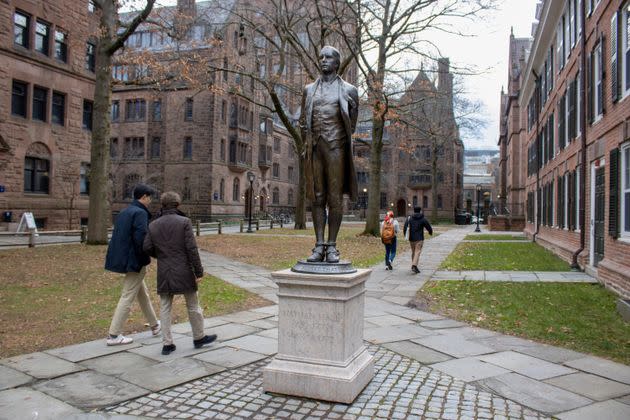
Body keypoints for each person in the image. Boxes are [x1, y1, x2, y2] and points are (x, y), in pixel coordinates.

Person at [300, 45, 359, 263]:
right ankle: (318, 246)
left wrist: (350, 116)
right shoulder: (308, 90)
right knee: (317, 197)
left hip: (336, 148)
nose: (323, 60)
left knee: (334, 198)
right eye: (321, 57)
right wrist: (306, 144)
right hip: (314, 148)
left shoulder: (349, 90)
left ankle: (332, 245)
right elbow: (302, 122)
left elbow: (351, 127)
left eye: (328, 57)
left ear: (337, 62)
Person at [143, 191, 217, 355]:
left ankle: (167, 343)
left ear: (163, 204)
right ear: (177, 204)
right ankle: (198, 337)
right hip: (184, 268)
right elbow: (191, 249)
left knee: (165, 306)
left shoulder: (153, 224)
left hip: (165, 269)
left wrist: (161, 255)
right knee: (193, 304)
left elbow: (147, 247)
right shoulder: (184, 222)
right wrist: (199, 271)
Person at [105, 184, 161, 346]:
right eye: (149, 197)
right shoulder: (140, 213)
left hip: (126, 259)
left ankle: (155, 325)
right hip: (134, 260)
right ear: (144, 197)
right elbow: (141, 240)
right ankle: (114, 335)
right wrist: (148, 257)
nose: (150, 201)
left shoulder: (125, 212)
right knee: (128, 295)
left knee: (142, 293)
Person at [403, 206, 433, 274]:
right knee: (417, 252)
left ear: (414, 210)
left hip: (411, 238)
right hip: (419, 238)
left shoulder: (409, 218)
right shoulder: (423, 219)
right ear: (420, 211)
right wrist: (430, 232)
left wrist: (405, 234)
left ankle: (413, 264)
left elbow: (405, 227)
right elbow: (428, 226)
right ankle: (414, 265)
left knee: (414, 252)